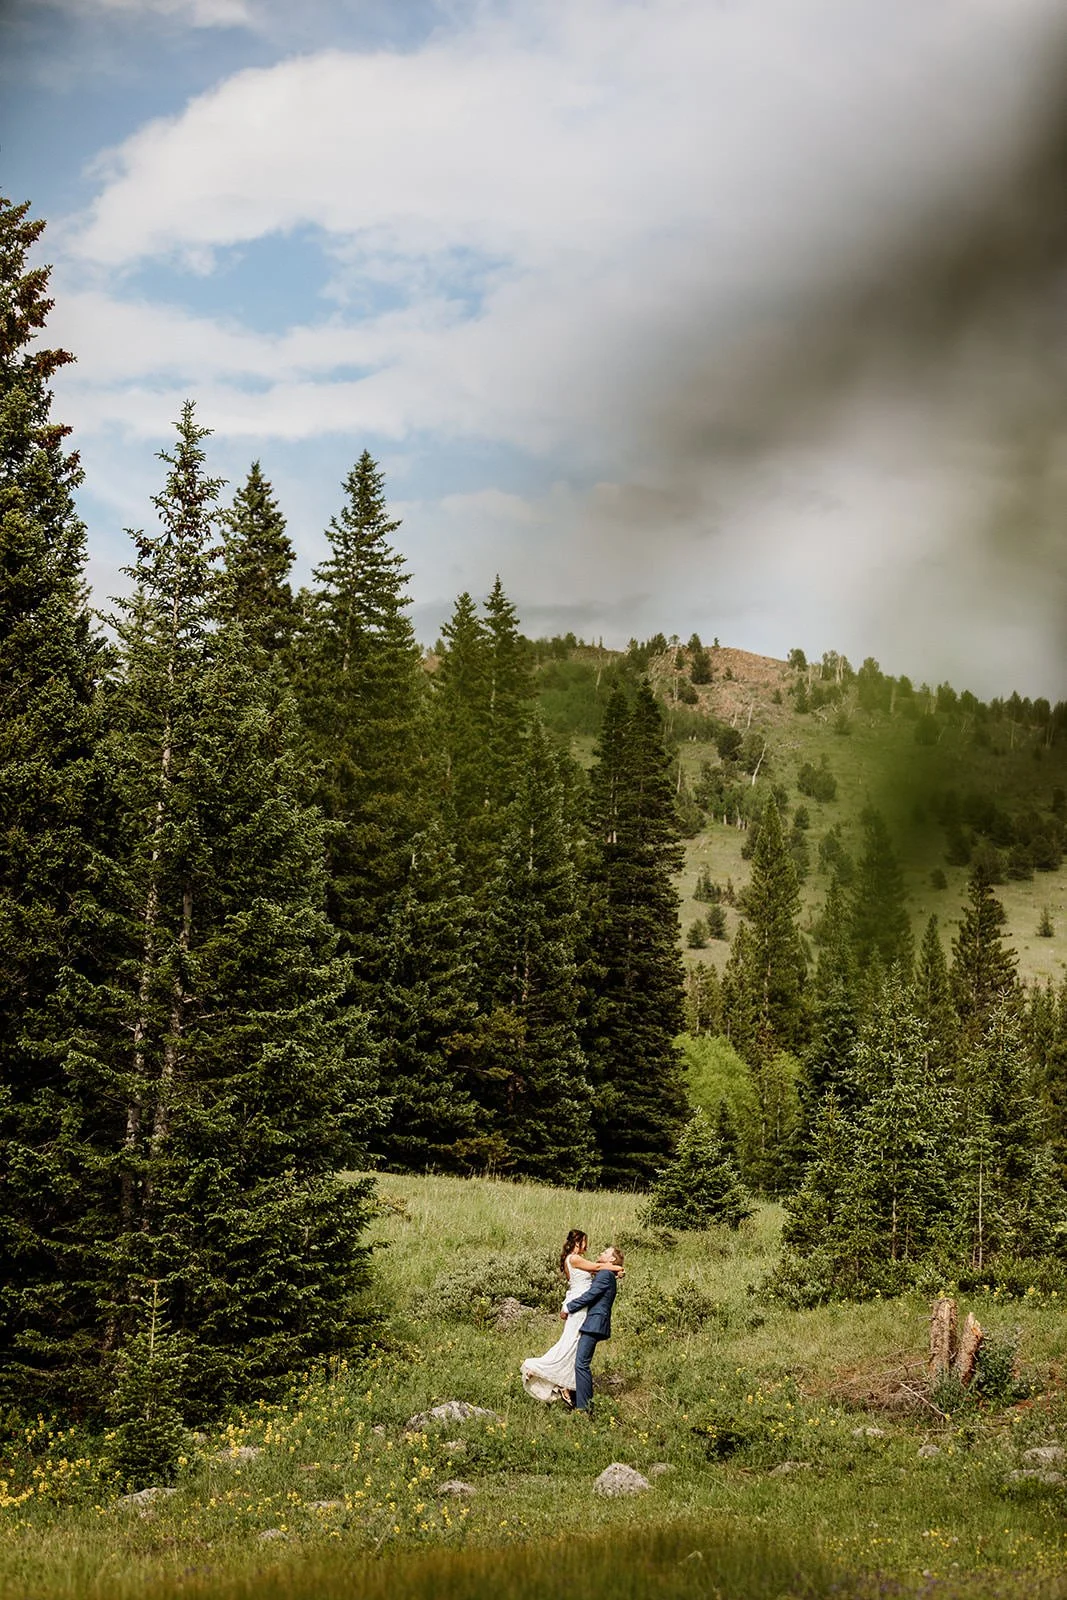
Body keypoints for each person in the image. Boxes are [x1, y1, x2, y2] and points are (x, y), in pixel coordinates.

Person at [521, 1231, 624, 1407]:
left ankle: (566, 1388)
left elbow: (598, 1275)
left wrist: (614, 1271)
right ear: (578, 1242)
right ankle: (540, 1369)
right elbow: (598, 1268)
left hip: (579, 1304)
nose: (588, 1246)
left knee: (573, 1349)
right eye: (585, 1242)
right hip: (579, 1306)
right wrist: (618, 1269)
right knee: (570, 1345)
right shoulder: (575, 1258)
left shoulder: (576, 1261)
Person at [561, 1245, 625, 1413]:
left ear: (611, 1259)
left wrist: (569, 1307)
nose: (601, 1252)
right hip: (594, 1323)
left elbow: (591, 1295)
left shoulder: (604, 1274)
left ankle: (584, 1408)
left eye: (606, 1252)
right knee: (580, 1362)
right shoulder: (607, 1274)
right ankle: (579, 1401)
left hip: (594, 1323)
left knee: (581, 1364)